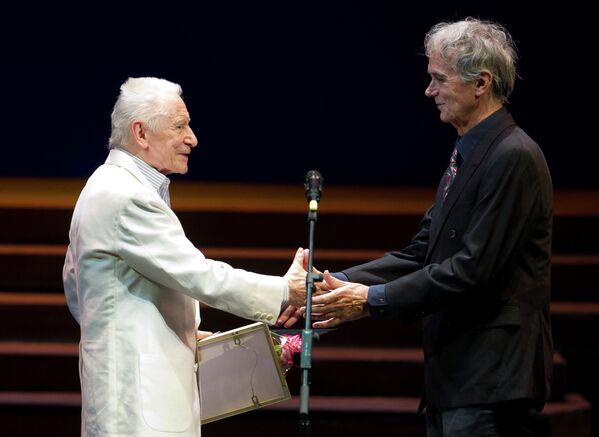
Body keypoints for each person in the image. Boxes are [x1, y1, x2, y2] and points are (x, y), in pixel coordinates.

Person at [307, 18, 553, 436]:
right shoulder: (469, 150)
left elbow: (473, 268)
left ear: (481, 84)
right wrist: (333, 283)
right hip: (458, 377)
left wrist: (371, 299)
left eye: (439, 79)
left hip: (492, 380)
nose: (429, 91)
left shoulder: (514, 156)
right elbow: (421, 252)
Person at [62, 76, 310, 437]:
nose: (192, 138)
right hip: (136, 407)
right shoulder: (123, 195)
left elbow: (78, 287)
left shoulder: (106, 185)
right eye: (180, 126)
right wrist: (287, 291)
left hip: (133, 394)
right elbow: (199, 275)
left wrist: (172, 331)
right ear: (141, 133)